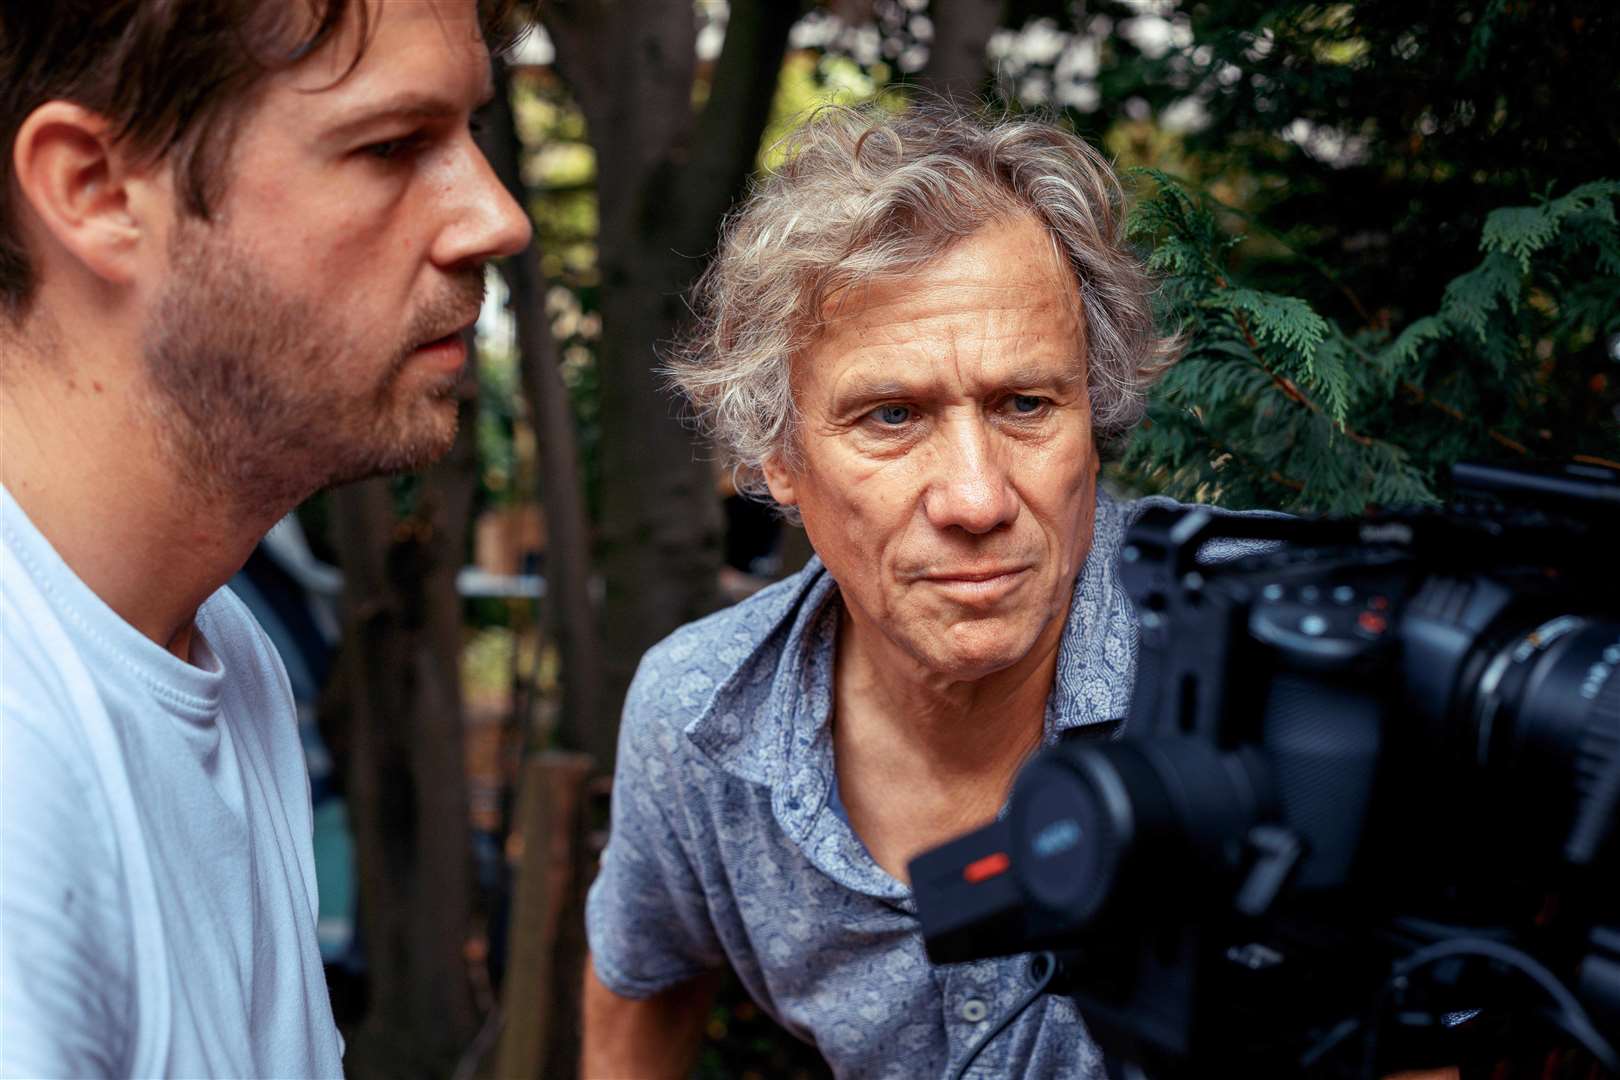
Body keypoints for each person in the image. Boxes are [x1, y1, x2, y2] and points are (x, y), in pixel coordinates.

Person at [582, 101, 1216, 1078]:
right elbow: (641, 987)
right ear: (780, 458)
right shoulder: (704, 722)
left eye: (1025, 404)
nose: (976, 497)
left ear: (1097, 414)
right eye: (891, 416)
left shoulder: (1260, 663)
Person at [0, 1, 531, 1075]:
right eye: (391, 145)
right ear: (96, 190)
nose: (496, 216)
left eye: (471, 131)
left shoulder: (222, 646)